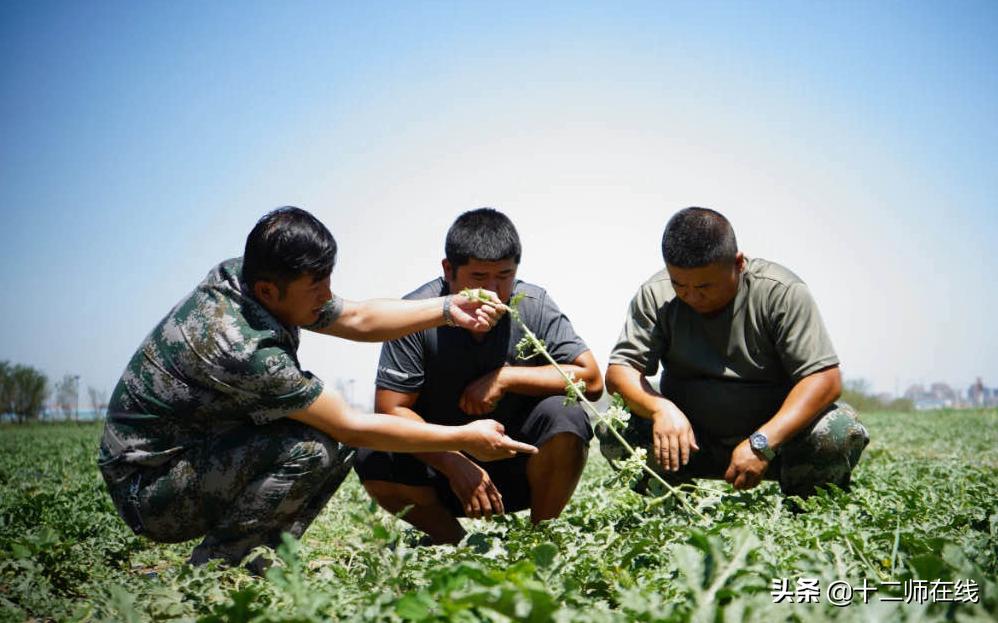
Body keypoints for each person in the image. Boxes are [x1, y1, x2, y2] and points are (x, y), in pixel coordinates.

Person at [98, 206, 537, 571]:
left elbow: (360, 318)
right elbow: (350, 427)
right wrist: (464, 440)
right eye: (317, 287)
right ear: (270, 290)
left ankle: (258, 555)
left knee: (325, 441)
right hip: (149, 488)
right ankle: (222, 568)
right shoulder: (242, 347)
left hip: (190, 455)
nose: (327, 297)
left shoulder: (249, 278)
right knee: (317, 445)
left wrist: (447, 308)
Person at [354, 208, 603, 544]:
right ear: (448, 270)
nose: (493, 291)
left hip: (520, 467)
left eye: (504, 275)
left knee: (567, 414)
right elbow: (391, 410)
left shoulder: (531, 304)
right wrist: (453, 460)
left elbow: (590, 379)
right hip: (440, 475)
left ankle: (540, 542)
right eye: (478, 278)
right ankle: (457, 544)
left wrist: (505, 377)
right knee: (374, 453)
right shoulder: (413, 314)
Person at [596, 207, 868, 499]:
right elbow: (619, 371)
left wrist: (762, 443)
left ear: (738, 263)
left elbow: (824, 379)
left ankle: (807, 515)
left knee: (836, 429)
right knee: (615, 427)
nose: (691, 296)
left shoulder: (781, 293)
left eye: (704, 286)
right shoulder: (656, 294)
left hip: (776, 441)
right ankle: (668, 513)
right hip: (690, 440)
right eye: (679, 284)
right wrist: (661, 409)